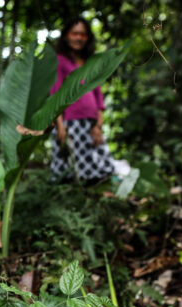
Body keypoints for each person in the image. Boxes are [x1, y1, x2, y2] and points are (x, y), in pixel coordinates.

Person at [50, 16, 115, 182]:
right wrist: (60, 126)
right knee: (70, 170)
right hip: (70, 122)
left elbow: (98, 96)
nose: (79, 38)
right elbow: (55, 94)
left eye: (83, 34)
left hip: (91, 123)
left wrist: (98, 125)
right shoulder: (60, 61)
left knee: (100, 167)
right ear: (66, 36)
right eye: (74, 33)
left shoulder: (90, 63)